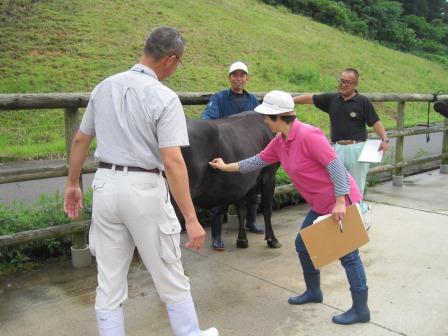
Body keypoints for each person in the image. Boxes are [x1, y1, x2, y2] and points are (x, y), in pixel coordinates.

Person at [63, 26, 218, 336]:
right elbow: (173, 161)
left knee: (109, 280)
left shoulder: (104, 87)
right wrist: (191, 217)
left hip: (105, 185)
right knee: (169, 274)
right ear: (170, 59)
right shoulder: (164, 97)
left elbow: (80, 140)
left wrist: (72, 184)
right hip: (144, 190)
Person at [210, 90, 371, 325]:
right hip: (320, 203)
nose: (264, 121)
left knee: (348, 255)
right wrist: (226, 167)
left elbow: (336, 168)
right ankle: (314, 292)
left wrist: (339, 202)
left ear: (279, 117)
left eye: (267, 116)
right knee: (303, 245)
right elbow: (256, 161)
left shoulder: (309, 136)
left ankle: (360, 309)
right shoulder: (280, 142)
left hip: (340, 201)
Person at [293, 68, 389, 226]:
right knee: (336, 185)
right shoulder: (332, 99)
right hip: (336, 149)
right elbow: (311, 98)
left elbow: (375, 122)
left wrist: (384, 139)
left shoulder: (362, 101)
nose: (343, 85)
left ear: (355, 84)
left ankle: (359, 217)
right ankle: (348, 214)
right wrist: (291, 101)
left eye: (347, 82)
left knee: (356, 186)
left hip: (357, 148)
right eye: (341, 81)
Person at [201, 61, 264, 250]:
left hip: (248, 151)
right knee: (220, 193)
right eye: (235, 75)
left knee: (253, 189)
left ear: (247, 78)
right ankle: (217, 236)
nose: (238, 78)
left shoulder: (253, 100)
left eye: (242, 75)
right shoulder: (219, 98)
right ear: (229, 77)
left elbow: (261, 124)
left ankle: (250, 222)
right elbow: (207, 119)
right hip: (225, 150)